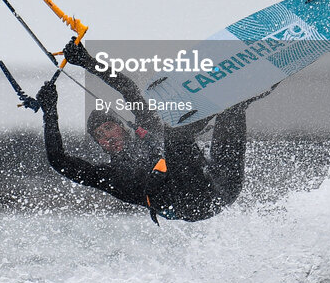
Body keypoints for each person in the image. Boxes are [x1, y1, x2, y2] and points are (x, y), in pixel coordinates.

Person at [36, 39, 267, 222]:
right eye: (100, 136)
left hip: (223, 187)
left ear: (122, 127)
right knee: (174, 131)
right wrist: (50, 112)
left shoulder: (149, 127)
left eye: (109, 128)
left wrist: (88, 62)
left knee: (233, 108)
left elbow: (127, 88)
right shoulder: (110, 176)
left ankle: (261, 82)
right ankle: (210, 106)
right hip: (192, 205)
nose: (107, 137)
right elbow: (58, 160)